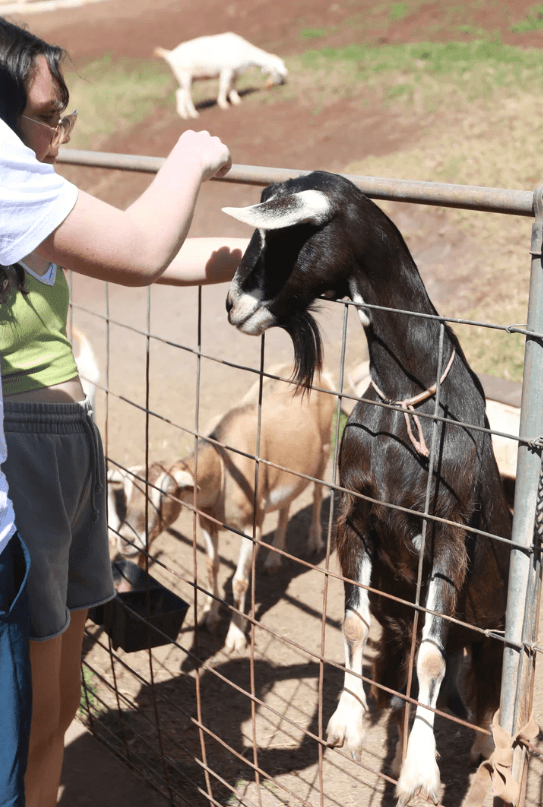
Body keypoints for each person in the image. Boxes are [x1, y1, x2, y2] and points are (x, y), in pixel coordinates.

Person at [0, 17, 248, 807]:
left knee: (61, 701)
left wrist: (250, 259)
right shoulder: (9, 192)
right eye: (47, 115)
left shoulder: (36, 213)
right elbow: (142, 247)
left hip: (70, 441)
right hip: (26, 447)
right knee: (35, 702)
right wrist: (191, 152)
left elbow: (150, 248)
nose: (60, 134)